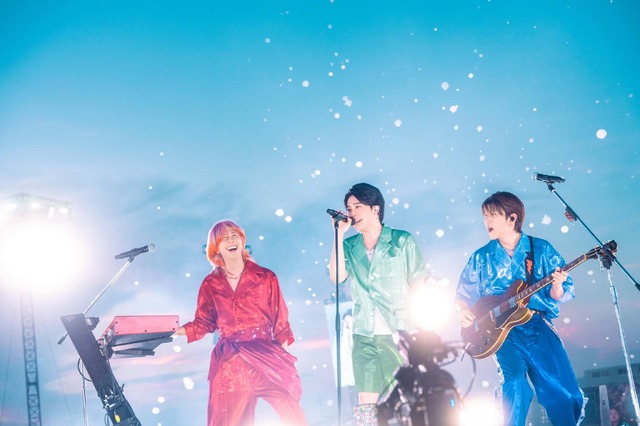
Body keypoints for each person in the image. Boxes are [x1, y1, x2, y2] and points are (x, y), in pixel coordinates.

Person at [455, 191, 586, 426]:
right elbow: (464, 294)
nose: (487, 221)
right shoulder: (481, 257)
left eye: (492, 215)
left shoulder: (541, 249)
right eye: (485, 216)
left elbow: (561, 294)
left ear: (512, 218)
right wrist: (463, 311)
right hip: (500, 331)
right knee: (514, 383)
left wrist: (557, 285)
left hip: (537, 325)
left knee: (562, 390)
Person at [174, 220, 307, 426]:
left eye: (234, 235)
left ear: (242, 241)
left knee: (291, 410)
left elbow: (280, 322)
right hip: (230, 364)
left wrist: (284, 361)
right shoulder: (210, 284)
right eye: (224, 238)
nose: (231, 240)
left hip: (265, 354)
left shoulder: (266, 277)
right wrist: (174, 331)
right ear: (216, 247)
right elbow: (203, 322)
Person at [329, 182, 430, 425]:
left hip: (400, 333)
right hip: (364, 334)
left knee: (406, 398)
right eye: (349, 208)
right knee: (366, 403)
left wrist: (422, 327)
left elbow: (419, 282)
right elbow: (336, 276)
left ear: (375, 208)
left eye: (357, 206)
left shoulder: (401, 240)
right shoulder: (349, 246)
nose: (352, 212)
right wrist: (339, 234)